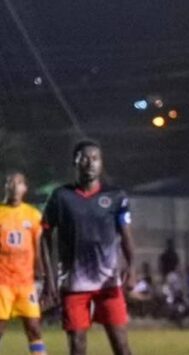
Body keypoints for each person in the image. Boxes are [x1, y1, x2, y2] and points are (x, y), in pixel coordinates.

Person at [42, 140, 134, 355]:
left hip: (108, 282)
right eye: (84, 158)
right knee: (77, 346)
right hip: (73, 283)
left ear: (101, 163)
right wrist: (49, 279)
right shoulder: (60, 197)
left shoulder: (116, 196)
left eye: (95, 158)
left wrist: (133, 267)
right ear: (75, 162)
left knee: (121, 344)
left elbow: (126, 235)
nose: (90, 163)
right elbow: (44, 236)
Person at [0, 171, 47, 354]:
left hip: (25, 282)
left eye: (19, 183)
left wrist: (42, 275)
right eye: (10, 182)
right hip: (2, 282)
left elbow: (38, 248)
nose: (14, 186)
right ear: (5, 187)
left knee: (34, 327)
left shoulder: (33, 215)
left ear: (25, 188)